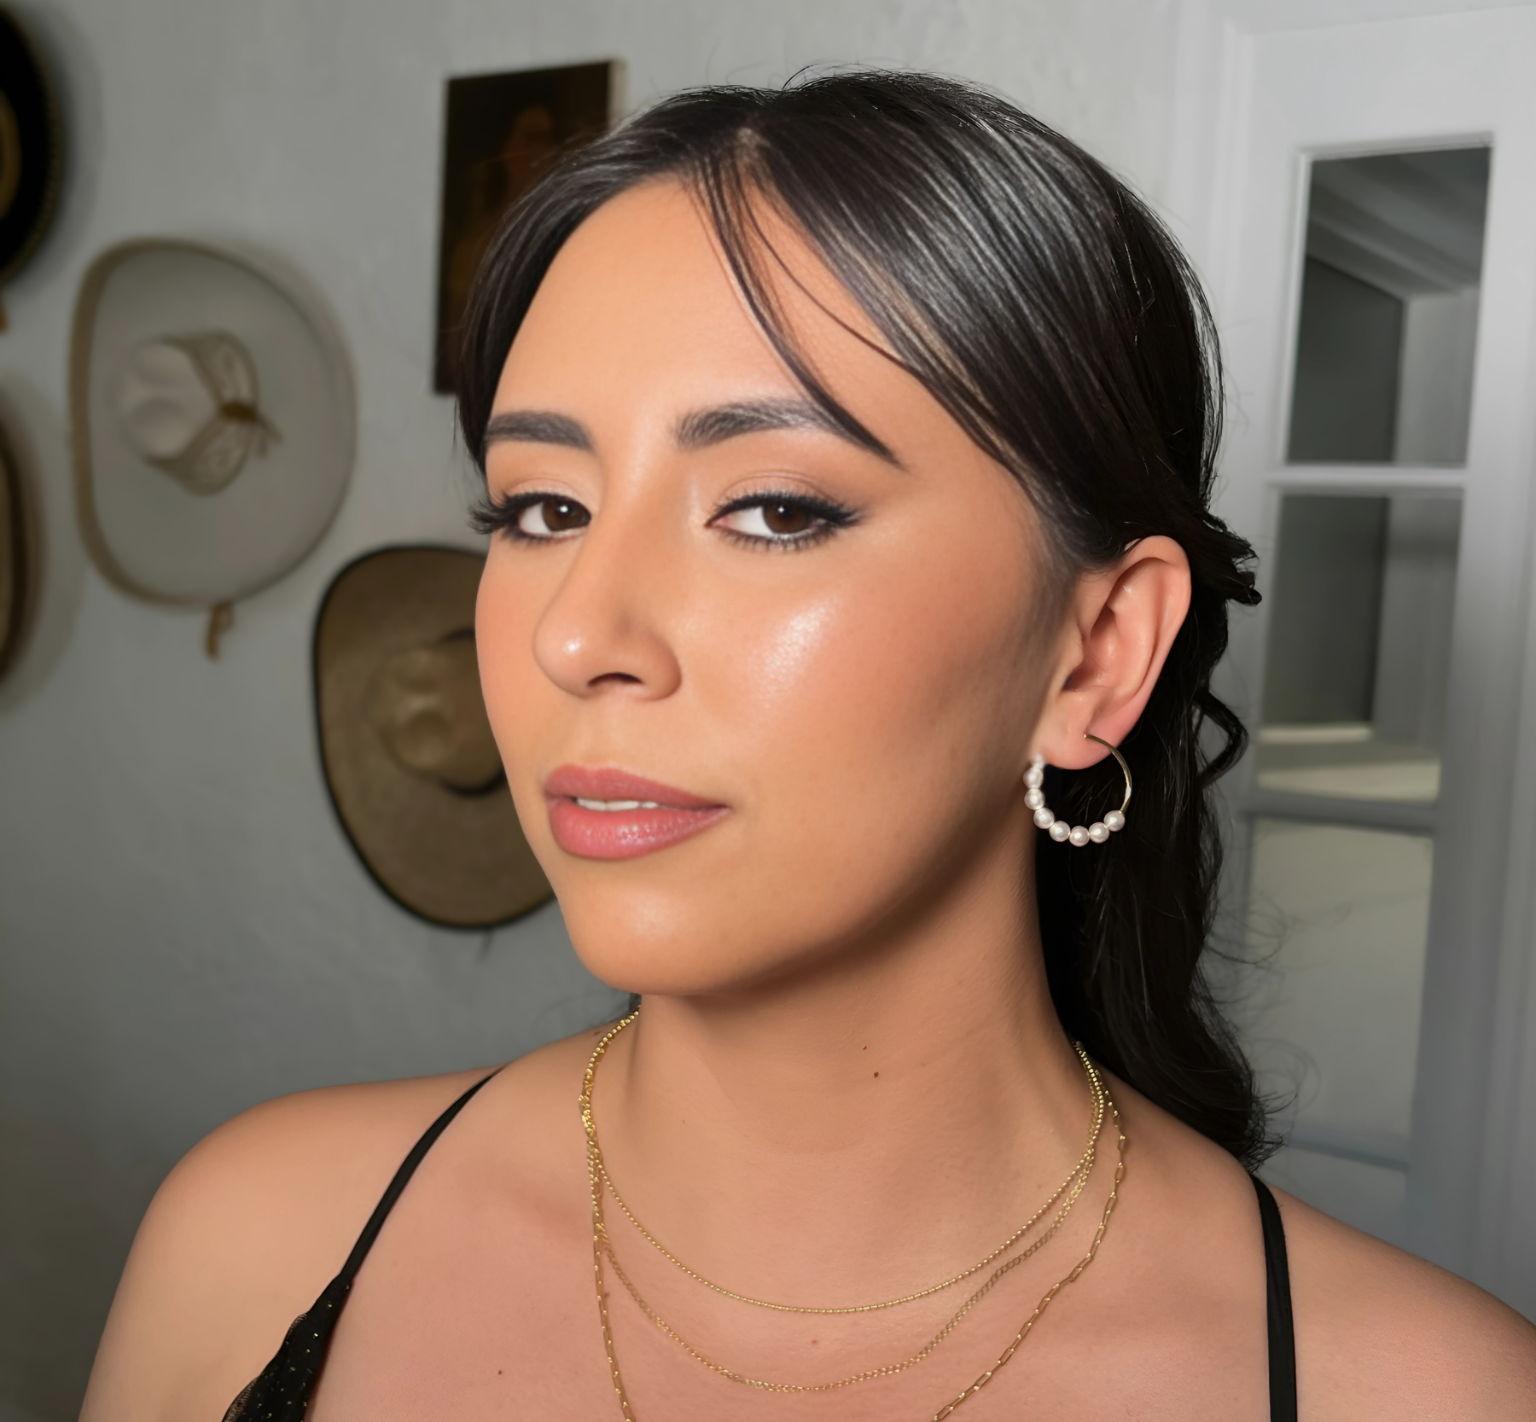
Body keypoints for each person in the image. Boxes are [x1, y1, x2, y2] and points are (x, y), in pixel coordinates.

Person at [80, 66, 1536, 1421]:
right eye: (542, 509)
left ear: (1098, 650)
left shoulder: (1423, 1393)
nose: (577, 635)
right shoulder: (255, 1236)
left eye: (775, 509)